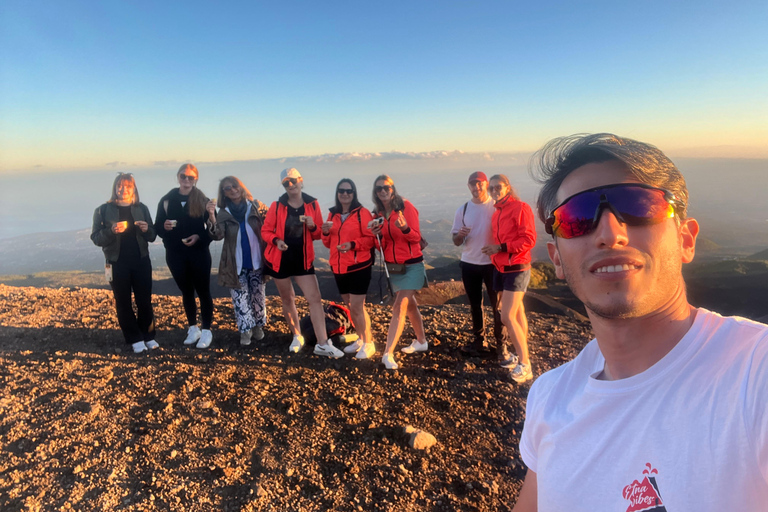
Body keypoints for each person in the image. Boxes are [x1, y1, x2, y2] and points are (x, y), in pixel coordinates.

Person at [513, 133, 768, 512]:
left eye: (639, 206)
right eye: (577, 217)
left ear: (685, 239)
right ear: (556, 259)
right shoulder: (549, 397)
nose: (610, 234)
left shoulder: (754, 373)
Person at [261, 168, 344, 358]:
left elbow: (317, 234)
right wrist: (276, 241)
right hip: (279, 258)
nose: (290, 185)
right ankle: (297, 335)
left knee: (314, 298)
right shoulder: (277, 205)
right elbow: (266, 231)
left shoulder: (312, 204)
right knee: (287, 298)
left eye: (292, 181)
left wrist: (312, 225)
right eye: (286, 183)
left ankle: (322, 343)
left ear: (300, 180)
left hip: (303, 259)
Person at [91, 173, 158, 353]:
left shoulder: (141, 208)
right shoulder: (103, 210)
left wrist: (146, 230)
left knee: (144, 301)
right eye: (120, 186)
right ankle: (134, 338)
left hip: (141, 260)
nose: (123, 190)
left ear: (133, 189)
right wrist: (111, 231)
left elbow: (152, 235)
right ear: (115, 188)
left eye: (127, 186)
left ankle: (148, 335)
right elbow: (96, 238)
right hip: (116, 263)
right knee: (123, 302)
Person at [369, 174, 429, 370]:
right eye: (379, 189)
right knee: (410, 305)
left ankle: (388, 353)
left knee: (399, 306)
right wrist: (377, 238)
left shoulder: (405, 207)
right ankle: (421, 341)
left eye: (386, 187)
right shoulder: (378, 214)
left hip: (412, 265)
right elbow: (382, 246)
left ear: (393, 188)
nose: (383, 191)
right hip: (393, 267)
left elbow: (416, 237)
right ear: (375, 192)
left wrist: (404, 229)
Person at [481, 174, 537, 382]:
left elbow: (529, 239)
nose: (494, 191)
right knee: (518, 311)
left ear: (507, 187)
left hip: (517, 266)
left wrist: (500, 248)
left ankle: (525, 364)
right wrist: (496, 252)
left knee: (507, 316)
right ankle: (522, 354)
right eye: (491, 188)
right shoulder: (497, 212)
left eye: (498, 187)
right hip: (501, 267)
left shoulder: (520, 208)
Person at [155, 163, 215, 349]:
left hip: (199, 253)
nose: (187, 180)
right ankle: (193, 328)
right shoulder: (167, 200)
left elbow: (213, 230)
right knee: (186, 292)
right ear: (178, 177)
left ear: (195, 179)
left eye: (191, 177)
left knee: (203, 291)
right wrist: (163, 228)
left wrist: (199, 236)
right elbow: (157, 227)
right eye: (183, 176)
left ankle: (206, 330)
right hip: (175, 254)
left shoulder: (202, 199)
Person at [207, 176, 269, 346]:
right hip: (235, 263)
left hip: (257, 260)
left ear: (241, 187)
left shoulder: (256, 206)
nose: (232, 190)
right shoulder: (224, 212)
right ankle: (245, 331)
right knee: (240, 300)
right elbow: (217, 235)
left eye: (234, 186)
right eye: (227, 188)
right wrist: (211, 216)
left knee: (258, 296)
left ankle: (258, 326)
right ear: (223, 193)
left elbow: (271, 221)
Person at [450, 171, 504, 358]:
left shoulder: (496, 207)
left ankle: (501, 343)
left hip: (492, 264)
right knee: (475, 305)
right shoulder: (463, 210)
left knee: (497, 305)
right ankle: (479, 341)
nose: (476, 187)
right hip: (469, 264)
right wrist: (460, 235)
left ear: (486, 184)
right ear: (469, 186)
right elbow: (456, 241)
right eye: (473, 184)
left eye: (480, 183)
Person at [321, 178, 376, 359]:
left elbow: (370, 240)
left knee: (357, 307)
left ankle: (369, 343)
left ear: (354, 193)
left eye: (349, 191)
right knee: (351, 307)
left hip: (359, 266)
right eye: (341, 191)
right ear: (337, 194)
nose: (345, 194)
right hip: (339, 267)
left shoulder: (363, 213)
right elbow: (327, 243)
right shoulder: (332, 215)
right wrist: (326, 232)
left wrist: (352, 244)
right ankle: (361, 338)